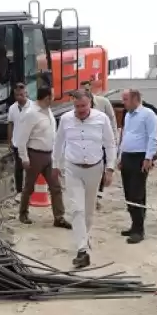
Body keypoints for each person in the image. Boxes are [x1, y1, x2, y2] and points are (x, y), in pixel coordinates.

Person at [53, 90, 117, 268]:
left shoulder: (101, 119)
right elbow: (58, 142)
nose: (80, 110)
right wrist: (55, 164)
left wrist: (110, 168)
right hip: (72, 168)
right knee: (77, 210)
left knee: (88, 211)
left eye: (84, 106)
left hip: (95, 169)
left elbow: (110, 144)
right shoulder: (66, 119)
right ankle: (82, 250)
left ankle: (84, 239)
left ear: (90, 103)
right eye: (77, 106)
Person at [14, 87, 71, 228]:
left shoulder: (48, 111)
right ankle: (23, 213)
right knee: (29, 186)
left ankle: (59, 217)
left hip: (49, 154)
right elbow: (21, 139)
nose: (54, 98)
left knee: (55, 187)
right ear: (47, 98)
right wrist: (24, 158)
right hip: (35, 155)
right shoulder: (31, 114)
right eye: (52, 96)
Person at [118, 89, 157, 244]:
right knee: (128, 193)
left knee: (137, 194)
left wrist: (148, 157)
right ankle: (134, 224)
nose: (123, 102)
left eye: (126, 99)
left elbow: (153, 136)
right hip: (127, 156)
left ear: (135, 98)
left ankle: (139, 230)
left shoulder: (148, 114)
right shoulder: (128, 115)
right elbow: (125, 135)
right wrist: (120, 156)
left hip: (140, 157)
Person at [81, 80, 117, 206]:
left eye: (87, 89)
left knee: (100, 169)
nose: (85, 91)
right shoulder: (79, 104)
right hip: (86, 143)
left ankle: (97, 196)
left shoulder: (103, 102)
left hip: (101, 142)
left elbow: (112, 122)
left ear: (91, 88)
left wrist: (114, 140)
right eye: (83, 89)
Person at [7, 83, 31, 199]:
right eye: (17, 95)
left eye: (22, 94)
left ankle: (30, 190)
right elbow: (10, 124)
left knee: (31, 167)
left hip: (30, 143)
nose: (20, 97)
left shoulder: (33, 107)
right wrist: (9, 140)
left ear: (26, 93)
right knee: (18, 167)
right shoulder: (12, 108)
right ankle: (19, 191)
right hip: (17, 142)